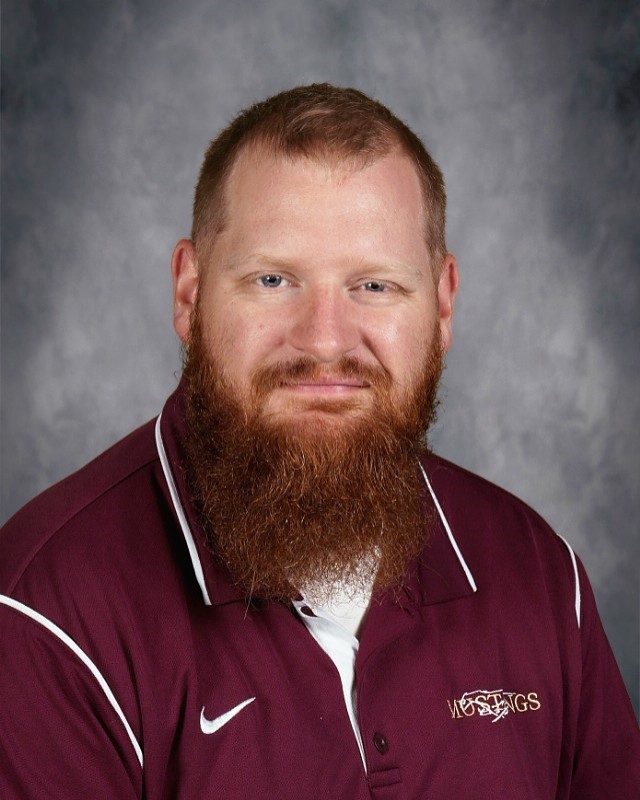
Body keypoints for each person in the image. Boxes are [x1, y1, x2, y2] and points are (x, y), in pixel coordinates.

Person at [1, 83, 637, 799]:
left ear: (443, 304)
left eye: (374, 286)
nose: (325, 341)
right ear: (190, 293)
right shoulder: (45, 618)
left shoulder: (543, 577)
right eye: (273, 280)